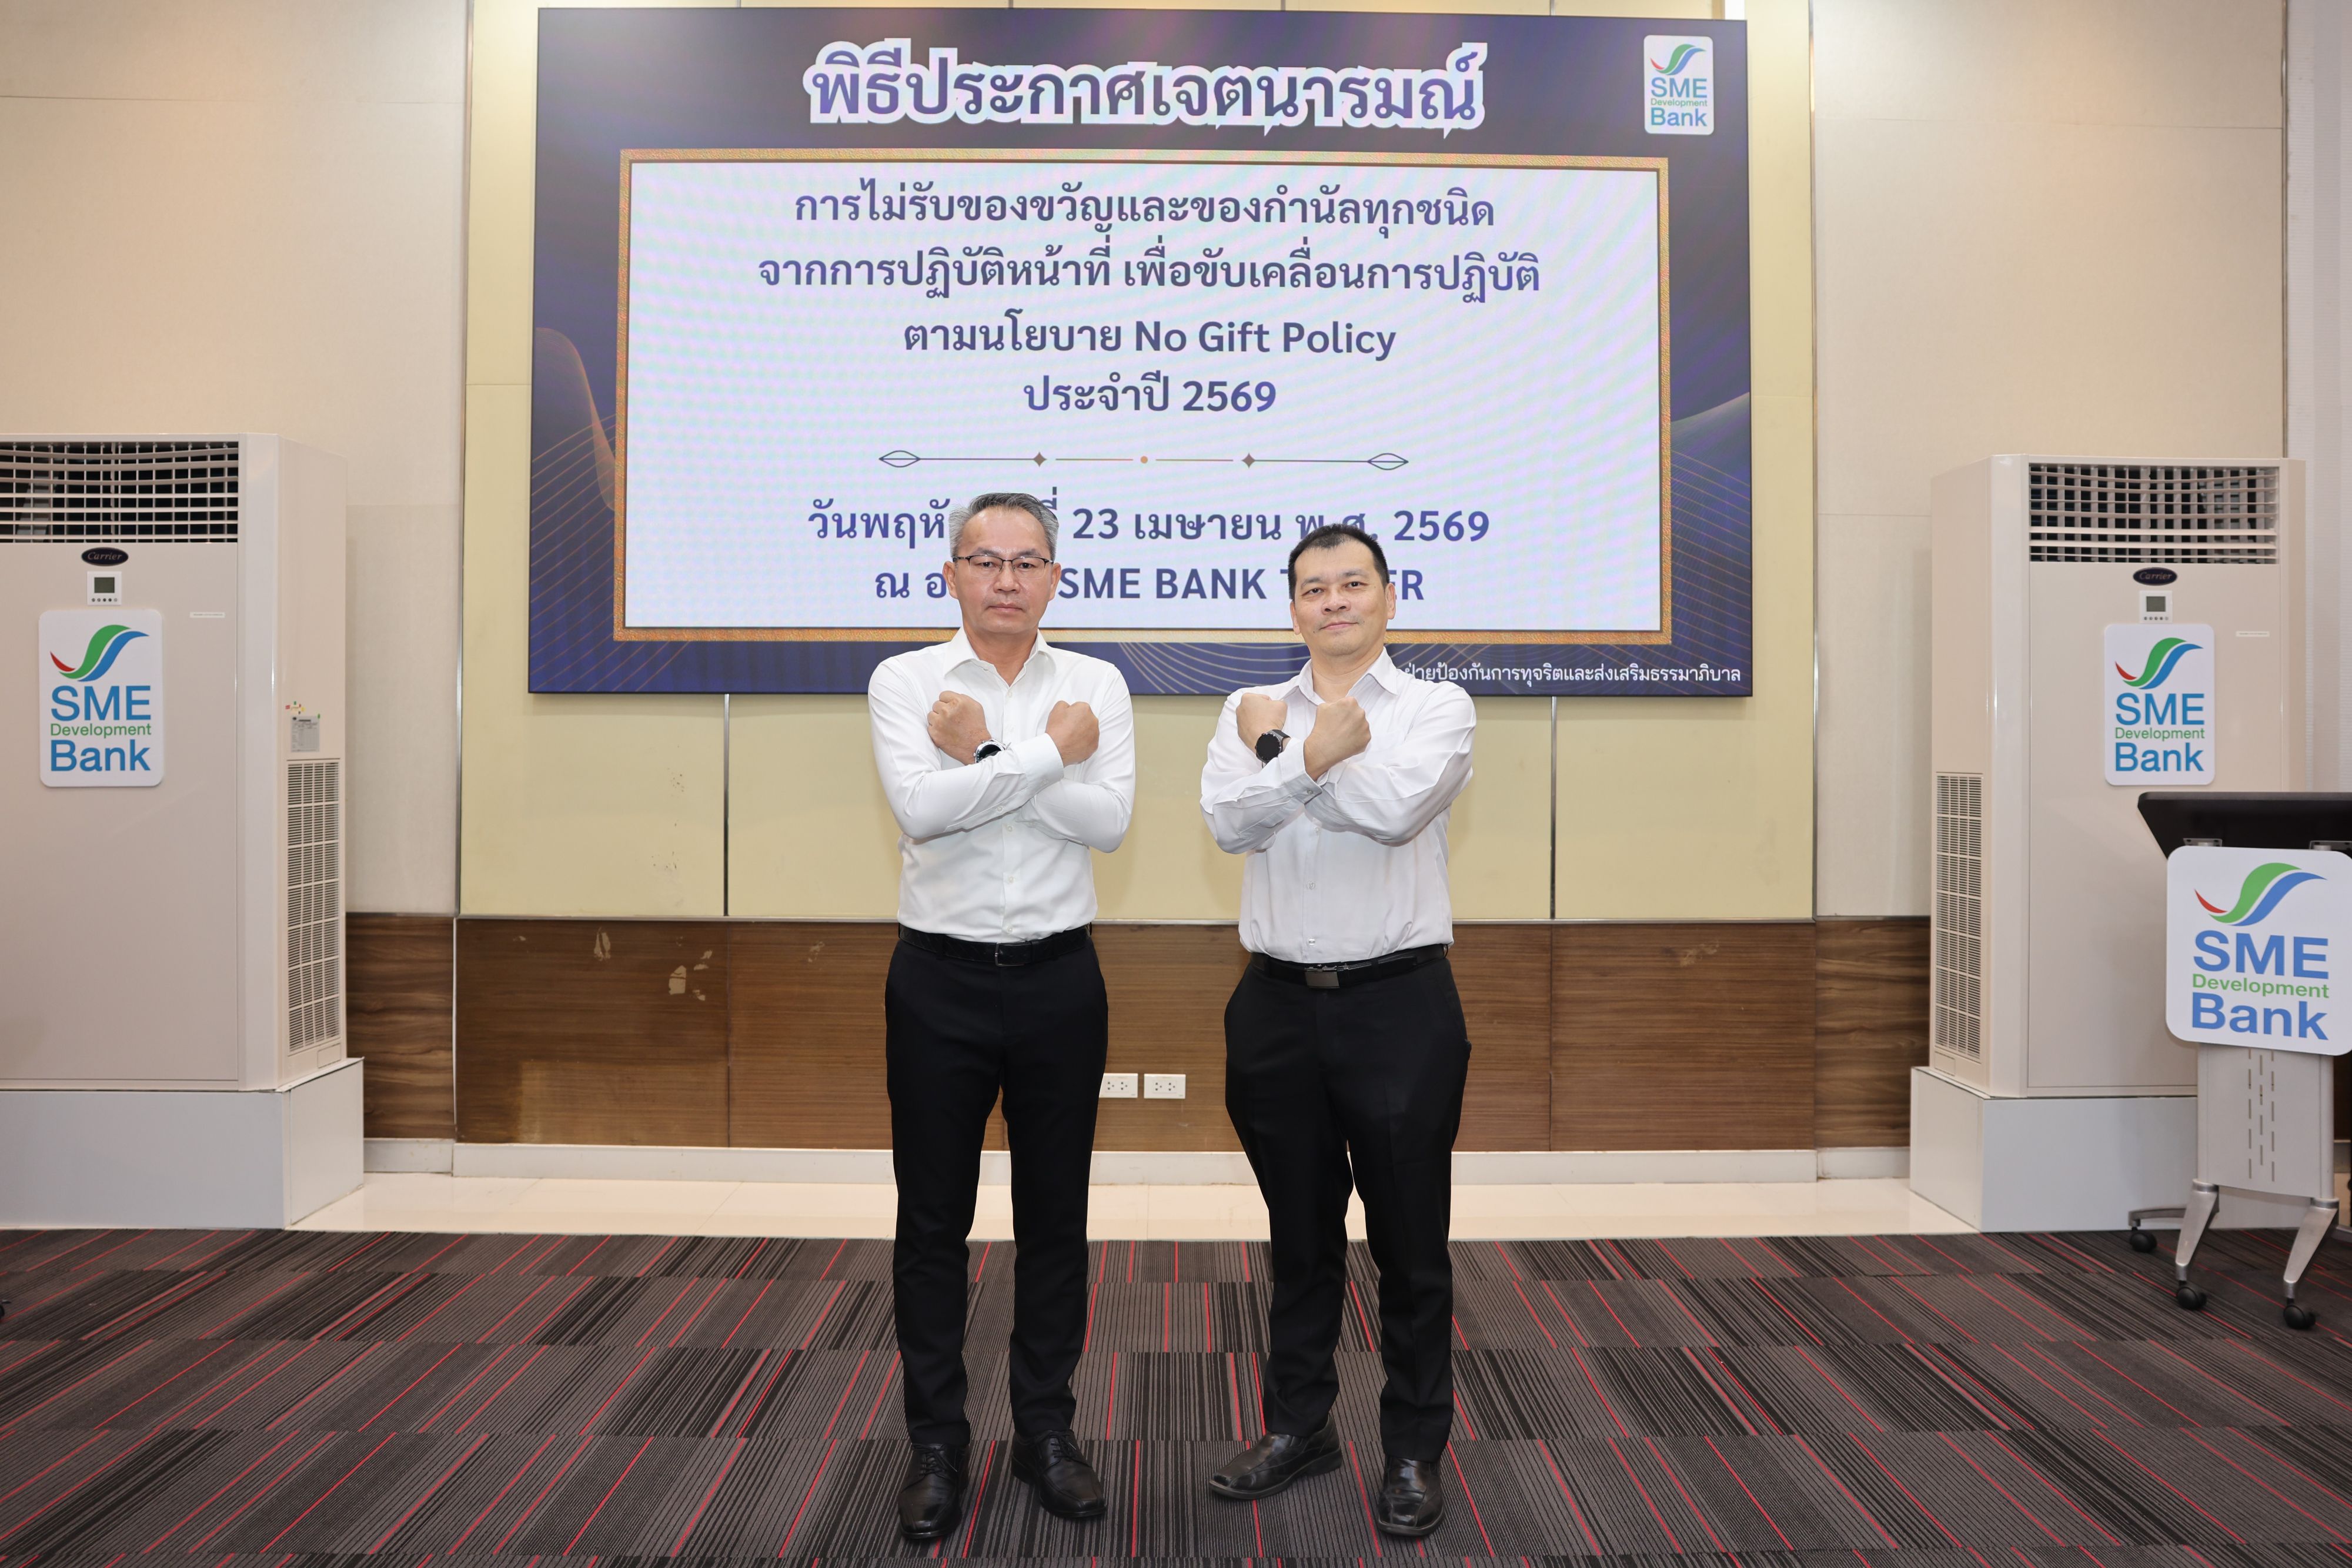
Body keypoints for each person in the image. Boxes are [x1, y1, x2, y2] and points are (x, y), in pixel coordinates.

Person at [1197, 521, 1476, 1539]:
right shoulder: (1247, 706)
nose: (1334, 602)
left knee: (1410, 1245)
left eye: (1352, 584)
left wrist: (1284, 757)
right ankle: (1298, 1427)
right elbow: (1229, 824)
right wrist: (1306, 753)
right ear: (1294, 607)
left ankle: (1412, 1448)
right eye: (1314, 588)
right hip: (1274, 1005)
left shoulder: (1437, 708)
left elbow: (1395, 810)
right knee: (1300, 1239)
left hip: (1400, 1006)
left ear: (1389, 598)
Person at [867, 492, 1135, 1541]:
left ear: (1056, 578)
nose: (1007, 580)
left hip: (1062, 982)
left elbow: (1107, 825)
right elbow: (920, 810)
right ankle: (936, 1442)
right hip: (938, 981)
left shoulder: (1095, 684)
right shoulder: (907, 682)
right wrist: (1042, 759)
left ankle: (1046, 1433)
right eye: (986, 561)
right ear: (952, 575)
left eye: (1028, 562)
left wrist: (983, 757)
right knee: (932, 1223)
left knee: (1055, 1220)